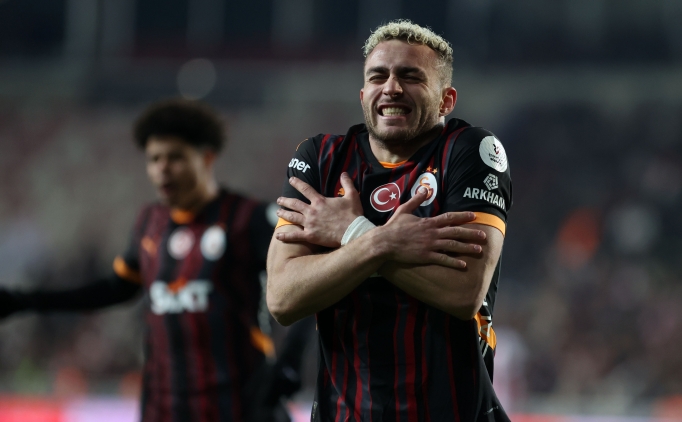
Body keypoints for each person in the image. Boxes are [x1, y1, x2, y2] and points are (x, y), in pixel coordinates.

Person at [0, 99, 313, 422]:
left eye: (175, 157)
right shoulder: (149, 224)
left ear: (206, 157)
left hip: (240, 407)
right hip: (166, 409)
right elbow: (113, 290)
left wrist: (290, 360)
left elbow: (306, 280)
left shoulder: (247, 219)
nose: (162, 168)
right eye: (154, 159)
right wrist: (22, 301)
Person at [267, 20, 512, 421]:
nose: (392, 87)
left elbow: (462, 292)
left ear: (446, 100)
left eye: (411, 76)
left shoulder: (469, 151)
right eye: (378, 76)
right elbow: (283, 297)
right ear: (364, 95)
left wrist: (353, 234)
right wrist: (385, 242)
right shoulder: (320, 158)